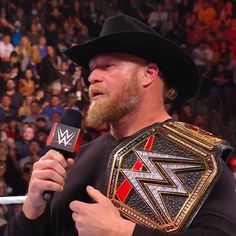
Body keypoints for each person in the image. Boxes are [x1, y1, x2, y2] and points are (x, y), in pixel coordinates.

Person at [5, 14, 236, 236]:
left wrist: (124, 233)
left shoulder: (200, 158)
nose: (92, 76)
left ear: (148, 74)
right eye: (91, 68)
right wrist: (32, 210)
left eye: (107, 66)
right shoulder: (72, 162)